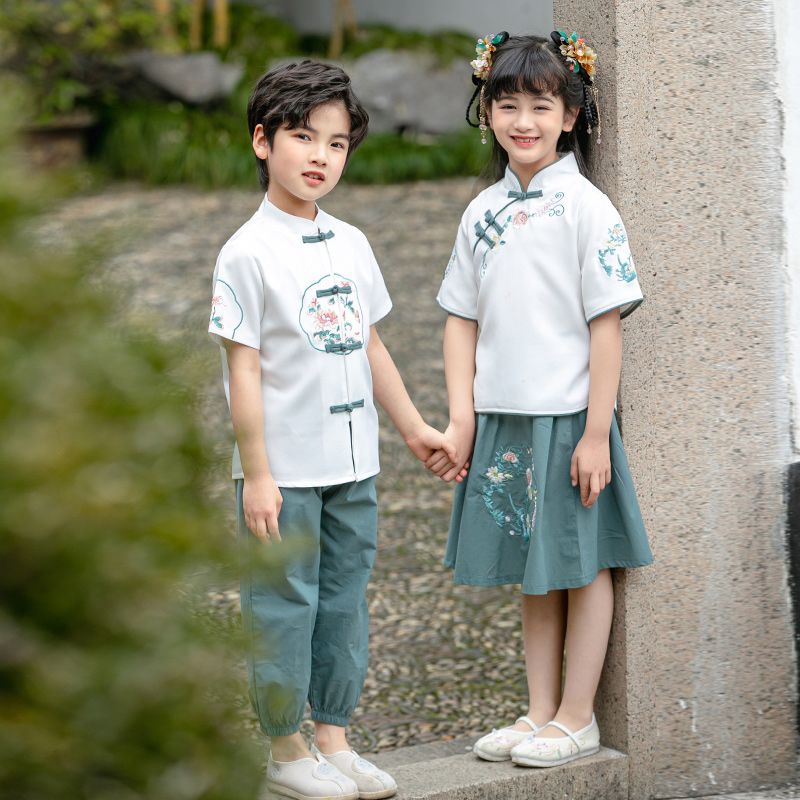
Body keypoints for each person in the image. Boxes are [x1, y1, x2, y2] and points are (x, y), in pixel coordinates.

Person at [208, 60, 459, 800]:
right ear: (263, 141)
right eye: (302, 136)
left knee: (346, 598)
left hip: (354, 464)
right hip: (283, 468)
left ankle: (333, 739)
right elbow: (243, 370)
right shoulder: (245, 253)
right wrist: (257, 473)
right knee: (286, 604)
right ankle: (286, 751)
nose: (320, 156)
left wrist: (413, 428)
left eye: (338, 143)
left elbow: (370, 345)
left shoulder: (351, 242)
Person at [426, 31, 654, 768]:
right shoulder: (481, 213)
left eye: (540, 105)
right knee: (534, 567)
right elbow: (460, 321)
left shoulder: (587, 208)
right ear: (488, 112)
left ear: (571, 114)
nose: (523, 120)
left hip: (567, 421)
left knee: (580, 567)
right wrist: (462, 417)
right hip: (504, 418)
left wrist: (595, 433)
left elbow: (606, 326)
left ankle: (578, 716)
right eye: (508, 104)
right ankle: (537, 711)